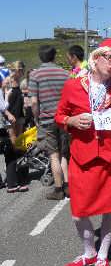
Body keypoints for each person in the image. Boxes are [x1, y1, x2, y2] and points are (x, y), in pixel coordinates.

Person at [55, 38, 111, 266]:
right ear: (96, 58)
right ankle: (88, 252)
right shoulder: (73, 86)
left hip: (109, 159)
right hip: (81, 159)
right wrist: (71, 121)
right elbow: (59, 116)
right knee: (78, 212)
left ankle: (102, 256)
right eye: (109, 57)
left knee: (109, 210)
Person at [28, 45, 70, 200]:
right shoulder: (65, 73)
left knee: (54, 155)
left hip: (47, 119)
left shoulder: (35, 75)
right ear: (54, 56)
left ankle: (58, 190)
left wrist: (36, 118)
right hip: (64, 118)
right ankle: (68, 186)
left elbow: (33, 102)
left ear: (40, 57)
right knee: (64, 154)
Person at [2, 61, 29, 192]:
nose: (23, 72)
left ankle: (18, 178)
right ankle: (12, 179)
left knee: (19, 145)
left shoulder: (19, 82)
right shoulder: (6, 82)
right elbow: (2, 102)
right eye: (22, 70)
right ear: (17, 70)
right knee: (13, 146)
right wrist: (7, 114)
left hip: (19, 116)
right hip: (10, 117)